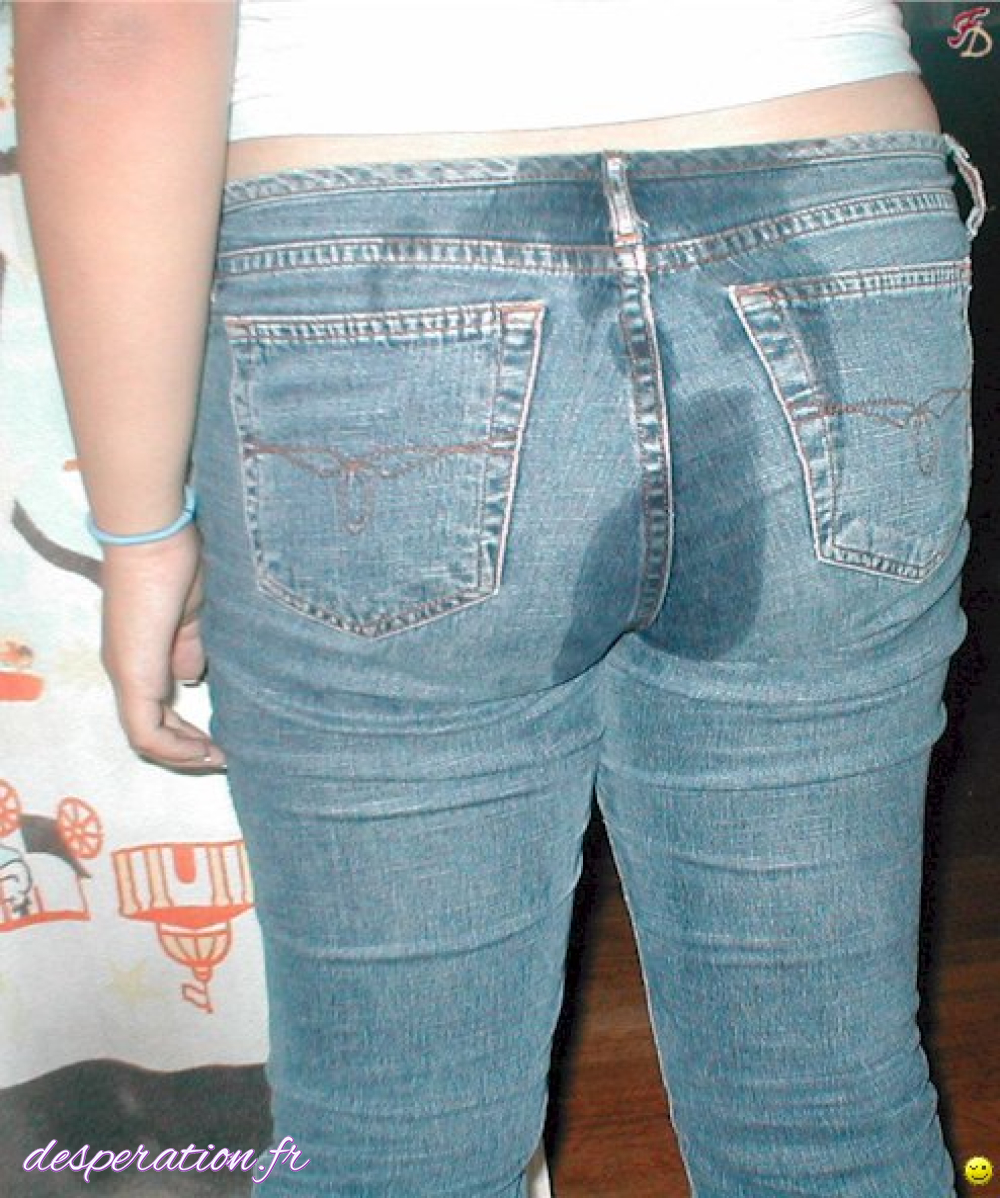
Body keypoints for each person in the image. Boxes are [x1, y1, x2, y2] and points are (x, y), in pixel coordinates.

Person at [12, 2, 987, 1195]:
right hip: (836, 239)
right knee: (827, 1104)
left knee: (395, 1141)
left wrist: (139, 526)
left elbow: (117, 25)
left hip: (381, 276)